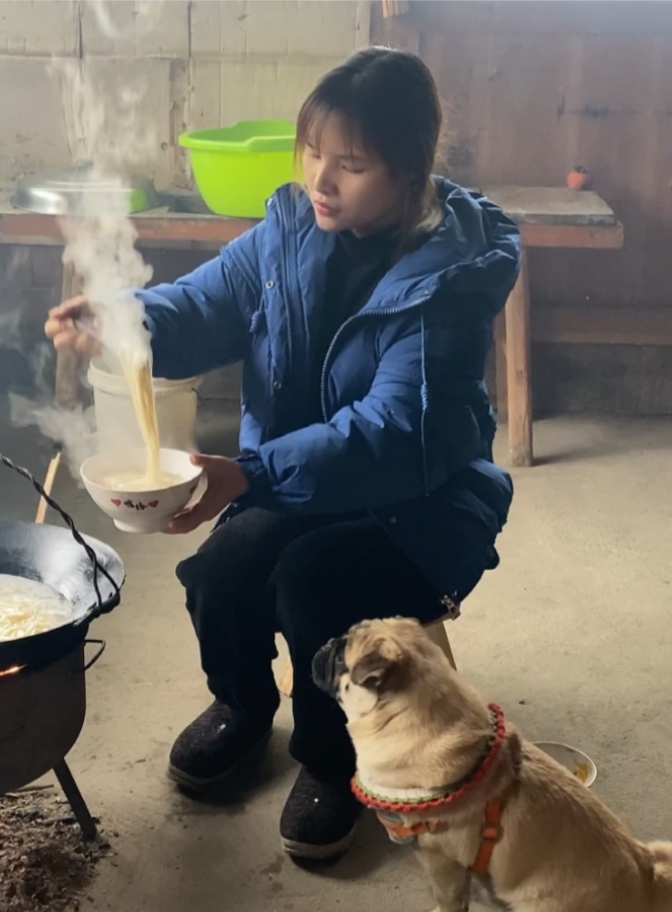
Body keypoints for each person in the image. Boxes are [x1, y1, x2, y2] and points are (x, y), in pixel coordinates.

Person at [46, 47, 521, 860]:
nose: (321, 180)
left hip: (419, 500)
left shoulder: (451, 278)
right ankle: (240, 706)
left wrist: (252, 472)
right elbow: (207, 301)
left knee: (311, 586)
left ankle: (334, 761)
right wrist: (123, 319)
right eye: (313, 154)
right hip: (302, 481)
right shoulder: (291, 227)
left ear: (407, 173)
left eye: (351, 164)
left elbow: (391, 431)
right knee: (222, 572)